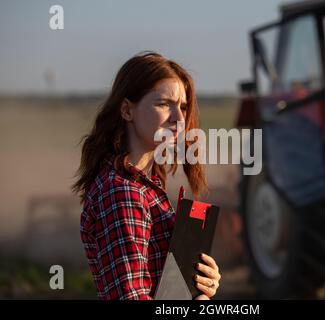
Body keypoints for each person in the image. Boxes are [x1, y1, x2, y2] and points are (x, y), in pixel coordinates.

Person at [72, 52, 221, 300]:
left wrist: (200, 283)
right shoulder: (123, 193)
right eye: (164, 104)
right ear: (127, 110)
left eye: (182, 107)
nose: (179, 118)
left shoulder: (144, 186)